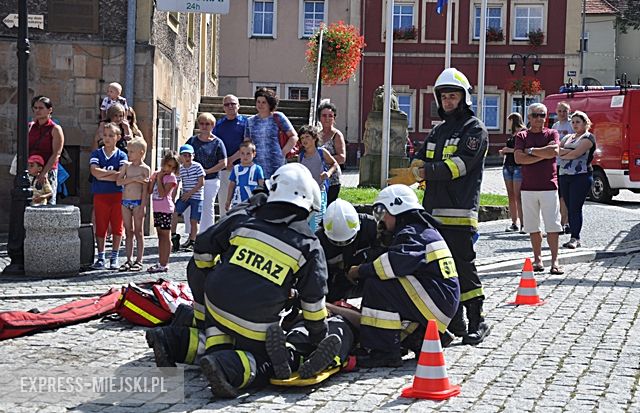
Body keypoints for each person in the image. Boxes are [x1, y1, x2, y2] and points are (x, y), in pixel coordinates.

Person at [146, 163, 328, 398]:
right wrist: (317, 337)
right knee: (268, 361)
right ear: (308, 207)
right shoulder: (309, 245)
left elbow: (201, 248)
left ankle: (170, 340)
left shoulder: (244, 218)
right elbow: (313, 301)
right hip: (255, 321)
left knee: (216, 340)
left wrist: (208, 289)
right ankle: (226, 368)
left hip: (216, 304)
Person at [412, 67, 490, 346]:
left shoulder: (474, 130)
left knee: (463, 267)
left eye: (453, 96)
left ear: (464, 98)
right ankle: (453, 319)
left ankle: (478, 320)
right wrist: (414, 168)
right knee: (439, 270)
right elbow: (420, 158)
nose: (448, 101)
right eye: (444, 96)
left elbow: (459, 166)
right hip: (433, 214)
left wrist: (424, 172)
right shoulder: (437, 131)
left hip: (459, 214)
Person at [345, 185, 460, 367]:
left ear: (396, 209)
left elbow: (393, 265)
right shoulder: (421, 231)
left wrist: (360, 270)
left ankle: (384, 352)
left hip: (435, 303)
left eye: (383, 212)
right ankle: (419, 337)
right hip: (438, 301)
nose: (381, 219)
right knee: (395, 291)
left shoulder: (412, 233)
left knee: (378, 285)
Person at [514, 103, 564, 275]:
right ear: (528, 117)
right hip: (528, 188)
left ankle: (555, 260)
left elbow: (554, 152)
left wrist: (532, 151)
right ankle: (537, 259)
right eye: (535, 115)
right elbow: (519, 158)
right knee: (532, 226)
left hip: (549, 186)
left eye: (542, 115)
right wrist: (542, 155)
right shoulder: (522, 135)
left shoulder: (552, 133)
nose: (539, 118)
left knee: (552, 225)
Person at [316, 199, 384, 302]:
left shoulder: (371, 227)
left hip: (368, 276)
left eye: (348, 240)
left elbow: (385, 252)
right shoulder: (319, 243)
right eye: (337, 242)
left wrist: (361, 265)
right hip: (338, 286)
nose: (343, 244)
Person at [89, 122, 128, 270]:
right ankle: (100, 256)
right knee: (100, 226)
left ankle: (114, 256)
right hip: (100, 194)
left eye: (111, 135)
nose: (107, 138)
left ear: (117, 137)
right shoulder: (97, 153)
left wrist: (103, 174)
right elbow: (94, 172)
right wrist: (112, 175)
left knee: (117, 226)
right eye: (105, 135)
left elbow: (121, 175)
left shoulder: (122, 154)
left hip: (117, 195)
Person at [558, 111, 596, 249]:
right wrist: (567, 153)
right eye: (573, 122)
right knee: (568, 206)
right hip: (564, 174)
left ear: (585, 123)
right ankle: (570, 232)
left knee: (575, 207)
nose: (574, 124)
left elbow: (576, 154)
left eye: (578, 122)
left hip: (581, 176)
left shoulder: (588, 138)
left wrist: (565, 153)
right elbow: (557, 150)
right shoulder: (568, 137)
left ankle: (575, 237)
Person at [185, 113, 227, 234]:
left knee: (207, 207)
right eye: (202, 123)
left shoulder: (218, 143)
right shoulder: (192, 141)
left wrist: (207, 171)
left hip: (211, 179)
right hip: (192, 180)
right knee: (190, 207)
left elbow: (223, 163)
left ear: (212, 126)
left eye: (207, 124)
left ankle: (206, 234)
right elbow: (183, 157)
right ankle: (191, 235)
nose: (204, 126)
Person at [244, 87, 298, 178]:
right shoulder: (250, 121)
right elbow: (247, 143)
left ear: (270, 103)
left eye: (264, 102)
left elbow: (294, 136)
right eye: (258, 102)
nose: (260, 105)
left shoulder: (278, 117)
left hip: (277, 164)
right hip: (257, 166)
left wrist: (283, 152)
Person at [116, 138, 151, 272]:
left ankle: (139, 259)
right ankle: (129, 259)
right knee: (128, 231)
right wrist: (134, 179)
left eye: (131, 151)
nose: (128, 154)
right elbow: (119, 182)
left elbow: (145, 190)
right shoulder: (126, 166)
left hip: (137, 203)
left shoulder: (145, 169)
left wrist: (143, 206)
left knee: (139, 231)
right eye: (128, 151)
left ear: (141, 153)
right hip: (125, 202)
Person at [298, 125, 338, 232]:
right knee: (307, 218)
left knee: (318, 217)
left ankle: (318, 238)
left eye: (307, 137)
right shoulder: (301, 156)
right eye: (302, 138)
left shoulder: (321, 152)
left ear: (315, 138)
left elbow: (334, 163)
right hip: (306, 194)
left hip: (320, 191)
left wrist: (328, 173)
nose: (304, 140)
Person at [214, 94, 247, 217]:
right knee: (224, 203)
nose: (230, 106)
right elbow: (215, 144)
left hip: (242, 168)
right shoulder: (219, 124)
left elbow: (248, 143)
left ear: (238, 106)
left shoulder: (246, 123)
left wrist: (232, 160)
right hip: (224, 170)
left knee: (243, 202)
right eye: (227, 104)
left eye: (233, 103)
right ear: (223, 108)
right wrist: (224, 162)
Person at [148, 151, 180, 273]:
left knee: (166, 236)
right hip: (157, 209)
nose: (169, 169)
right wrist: (153, 179)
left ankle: (164, 263)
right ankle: (160, 261)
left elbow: (162, 193)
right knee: (160, 236)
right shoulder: (157, 174)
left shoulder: (171, 178)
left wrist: (160, 178)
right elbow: (150, 191)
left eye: (173, 167)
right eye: (168, 165)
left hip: (166, 209)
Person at [29, 96, 64, 205]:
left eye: (41, 108)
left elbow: (56, 153)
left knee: (47, 202)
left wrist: (44, 173)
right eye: (35, 108)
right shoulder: (30, 127)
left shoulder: (55, 129)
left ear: (49, 110)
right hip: (31, 170)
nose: (37, 111)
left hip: (48, 170)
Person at [171, 144, 205, 252]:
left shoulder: (197, 166)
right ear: (181, 157)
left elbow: (201, 183)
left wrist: (189, 193)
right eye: (184, 155)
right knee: (175, 212)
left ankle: (192, 240)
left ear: (193, 156)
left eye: (189, 155)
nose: (187, 158)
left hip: (196, 196)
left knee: (194, 220)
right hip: (185, 196)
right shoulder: (180, 169)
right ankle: (173, 235)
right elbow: (176, 184)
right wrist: (172, 199)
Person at [500, 112, 526, 233]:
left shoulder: (523, 132)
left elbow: (524, 150)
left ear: (513, 120)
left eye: (509, 121)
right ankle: (514, 222)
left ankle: (523, 223)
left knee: (518, 196)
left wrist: (508, 150)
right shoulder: (512, 134)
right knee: (510, 196)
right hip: (508, 165)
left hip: (518, 167)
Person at [552, 102, 574, 235]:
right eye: (560, 111)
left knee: (567, 195)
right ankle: (563, 222)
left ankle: (568, 222)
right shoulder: (555, 126)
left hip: (569, 162)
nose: (562, 113)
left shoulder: (572, 125)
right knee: (560, 195)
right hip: (557, 163)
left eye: (564, 111)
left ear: (569, 111)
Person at [318, 101, 346, 205]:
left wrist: (324, 158)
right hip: (318, 178)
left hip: (332, 180)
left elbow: (342, 158)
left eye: (330, 116)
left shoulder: (337, 135)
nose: (327, 118)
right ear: (319, 118)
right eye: (324, 115)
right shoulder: (317, 135)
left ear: (334, 118)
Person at [225, 141, 265, 211]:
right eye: (242, 154)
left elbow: (261, 185)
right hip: (238, 200)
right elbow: (232, 185)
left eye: (248, 154)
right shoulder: (236, 168)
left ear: (254, 154)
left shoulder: (257, 168)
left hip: (252, 201)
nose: (245, 156)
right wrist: (228, 200)